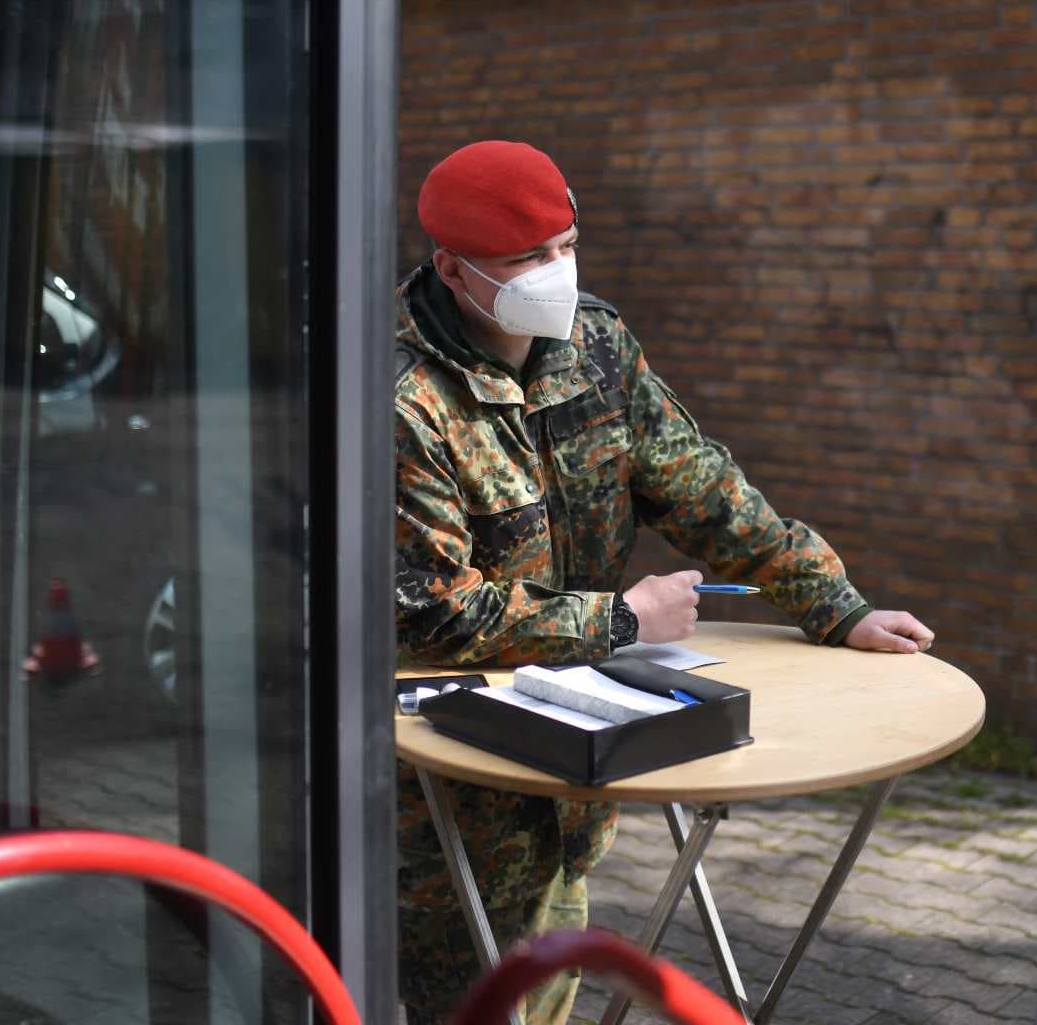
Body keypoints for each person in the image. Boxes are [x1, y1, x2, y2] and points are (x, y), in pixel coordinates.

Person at [393, 140, 934, 1024]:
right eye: (528, 258)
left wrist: (835, 607)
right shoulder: (404, 398)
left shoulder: (594, 343)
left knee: (549, 968)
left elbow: (704, 492)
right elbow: (430, 613)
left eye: (567, 246)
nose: (557, 272)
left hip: (575, 749)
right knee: (470, 995)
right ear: (453, 269)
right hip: (453, 777)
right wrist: (621, 621)